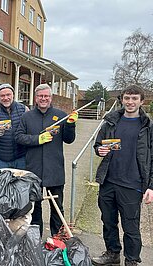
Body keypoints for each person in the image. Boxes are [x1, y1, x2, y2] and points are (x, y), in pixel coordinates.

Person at [91, 85, 153, 266]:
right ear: (122, 99)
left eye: (134, 99)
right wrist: (99, 150)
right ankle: (112, 254)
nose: (130, 102)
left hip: (133, 184)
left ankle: (132, 260)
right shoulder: (111, 121)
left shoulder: (148, 127)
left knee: (131, 227)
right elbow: (98, 145)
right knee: (108, 222)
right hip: (108, 181)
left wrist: (150, 186)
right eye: (127, 98)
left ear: (142, 101)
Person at [15, 83, 77, 236]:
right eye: (41, 96)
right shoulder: (27, 117)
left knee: (57, 207)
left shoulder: (61, 115)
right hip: (33, 169)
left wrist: (70, 125)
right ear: (36, 98)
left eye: (46, 96)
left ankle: (57, 239)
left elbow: (69, 140)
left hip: (54, 170)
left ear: (51, 98)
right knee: (35, 208)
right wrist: (37, 139)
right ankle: (35, 238)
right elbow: (18, 137)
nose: (43, 99)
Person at [0, 83, 28, 170]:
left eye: (8, 95)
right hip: (1, 159)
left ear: (13, 95)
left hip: (21, 157)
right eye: (2, 96)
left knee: (21, 183)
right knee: (1, 183)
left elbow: (30, 131)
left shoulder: (24, 109)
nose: (5, 98)